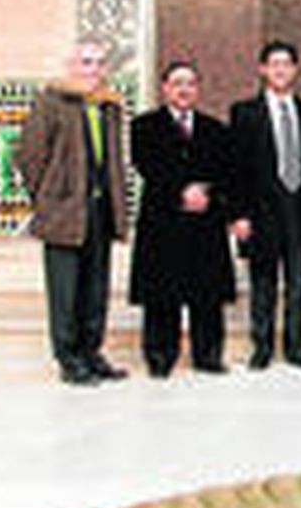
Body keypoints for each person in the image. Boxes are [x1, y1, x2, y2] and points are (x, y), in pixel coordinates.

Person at [15, 39, 130, 386]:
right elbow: (29, 155)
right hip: (64, 212)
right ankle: (69, 359)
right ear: (71, 66)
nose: (91, 70)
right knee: (66, 290)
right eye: (85, 62)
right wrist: (47, 199)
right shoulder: (51, 101)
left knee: (95, 287)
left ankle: (91, 352)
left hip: (99, 211)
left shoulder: (108, 107)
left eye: (98, 63)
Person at [128, 60, 236, 377]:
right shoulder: (143, 127)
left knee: (207, 294)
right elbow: (147, 165)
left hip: (205, 221)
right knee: (162, 294)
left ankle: (208, 356)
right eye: (177, 83)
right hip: (164, 220)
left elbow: (226, 172)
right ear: (164, 89)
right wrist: (181, 191)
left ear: (198, 89)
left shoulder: (215, 129)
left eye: (190, 83)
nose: (184, 89)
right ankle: (160, 356)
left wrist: (207, 194)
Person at [229, 40, 301, 371]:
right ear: (263, 69)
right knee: (263, 283)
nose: (281, 70)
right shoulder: (244, 113)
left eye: (287, 64)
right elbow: (235, 169)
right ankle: (262, 346)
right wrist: (237, 215)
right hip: (260, 213)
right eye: (274, 64)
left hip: (300, 212)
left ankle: (297, 346)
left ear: (295, 70)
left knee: (299, 285)